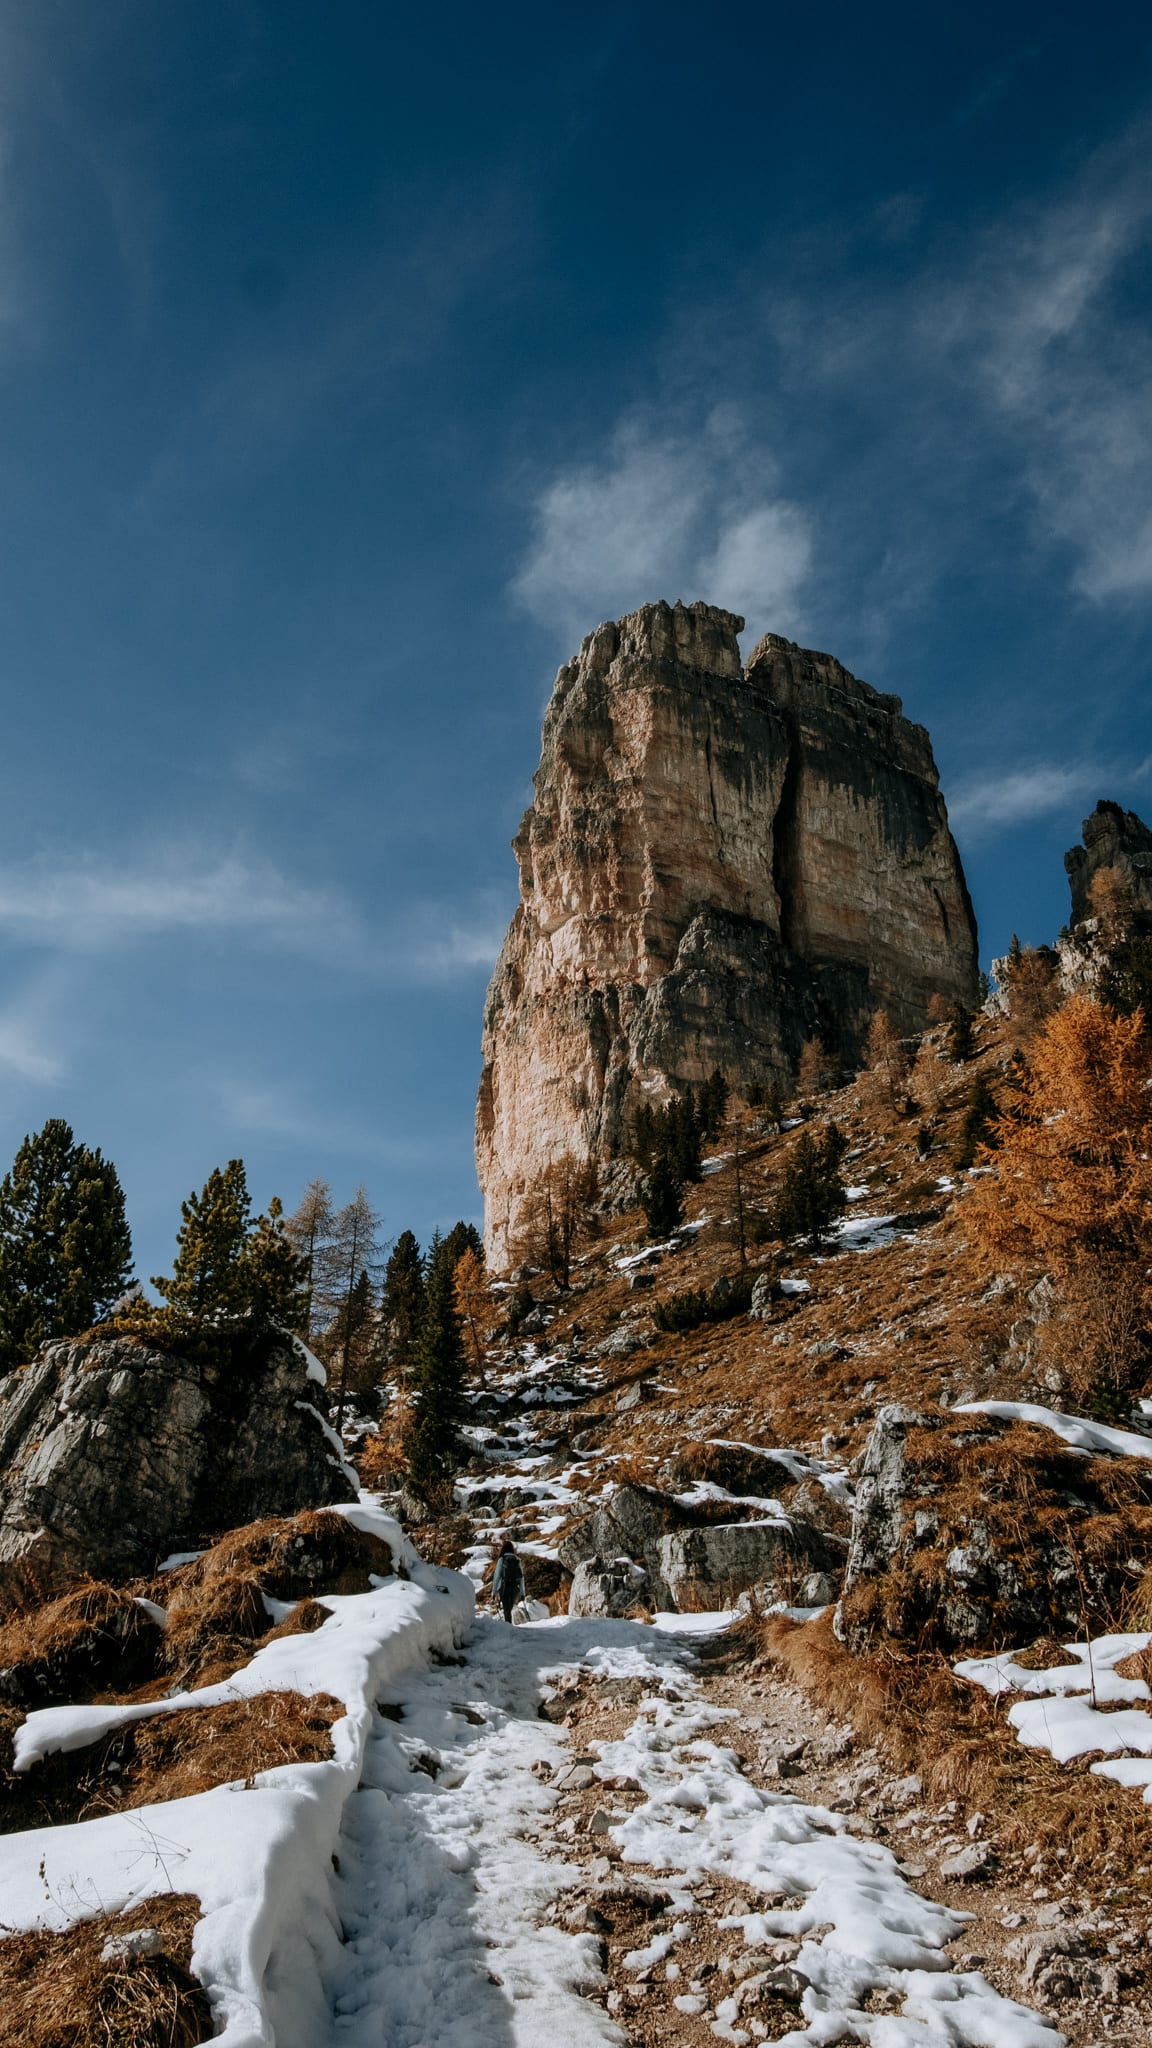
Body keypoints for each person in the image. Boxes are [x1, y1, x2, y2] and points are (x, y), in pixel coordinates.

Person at [492, 1540, 525, 1623]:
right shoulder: (517, 1560)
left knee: (506, 1609)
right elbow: (521, 1577)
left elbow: (497, 1576)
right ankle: (509, 1627)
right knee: (509, 1608)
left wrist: (494, 1592)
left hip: (504, 1587)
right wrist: (522, 1593)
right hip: (515, 1587)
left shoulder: (502, 1559)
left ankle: (508, 1628)